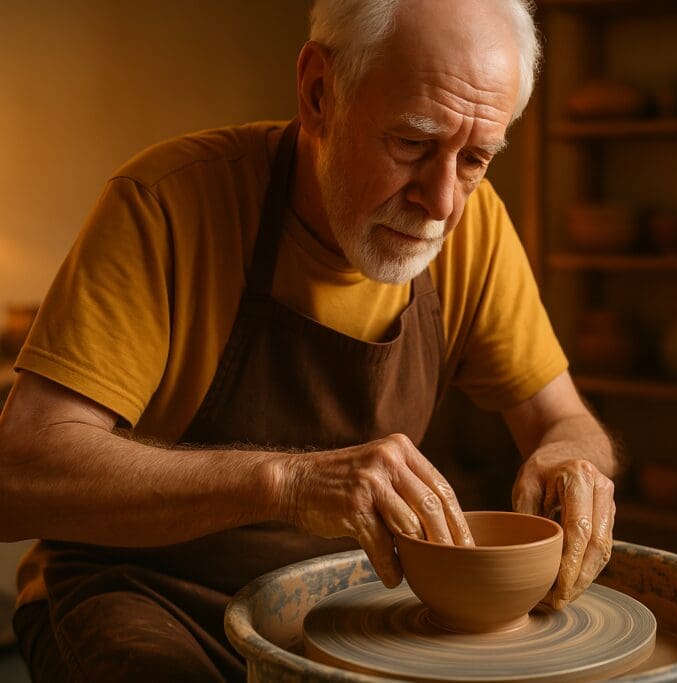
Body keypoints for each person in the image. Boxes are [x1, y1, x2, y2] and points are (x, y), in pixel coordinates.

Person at [0, 0, 618, 680]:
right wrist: (287, 482)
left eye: (475, 158)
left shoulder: (476, 230)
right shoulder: (167, 204)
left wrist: (574, 462)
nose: (443, 202)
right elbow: (17, 476)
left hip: (339, 603)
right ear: (320, 92)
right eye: (412, 143)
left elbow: (565, 421)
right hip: (143, 594)